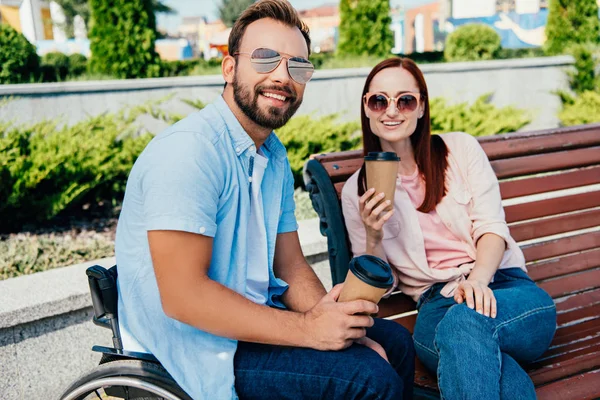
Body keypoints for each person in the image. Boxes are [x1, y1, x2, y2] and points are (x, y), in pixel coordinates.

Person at [114, 1, 415, 399]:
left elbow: (288, 264)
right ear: (228, 68)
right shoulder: (189, 151)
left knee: (393, 343)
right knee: (367, 379)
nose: (282, 76)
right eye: (265, 58)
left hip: (252, 322)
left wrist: (332, 320)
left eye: (298, 67)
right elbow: (184, 297)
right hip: (197, 344)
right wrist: (309, 330)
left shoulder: (272, 155)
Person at [341, 57, 557, 400]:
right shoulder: (357, 191)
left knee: (465, 326)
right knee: (489, 360)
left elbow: (491, 227)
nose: (391, 111)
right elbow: (380, 287)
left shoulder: (460, 149)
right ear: (367, 108)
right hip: (436, 306)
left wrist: (477, 283)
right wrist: (374, 235)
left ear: (422, 107)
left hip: (503, 287)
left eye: (405, 100)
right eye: (379, 100)